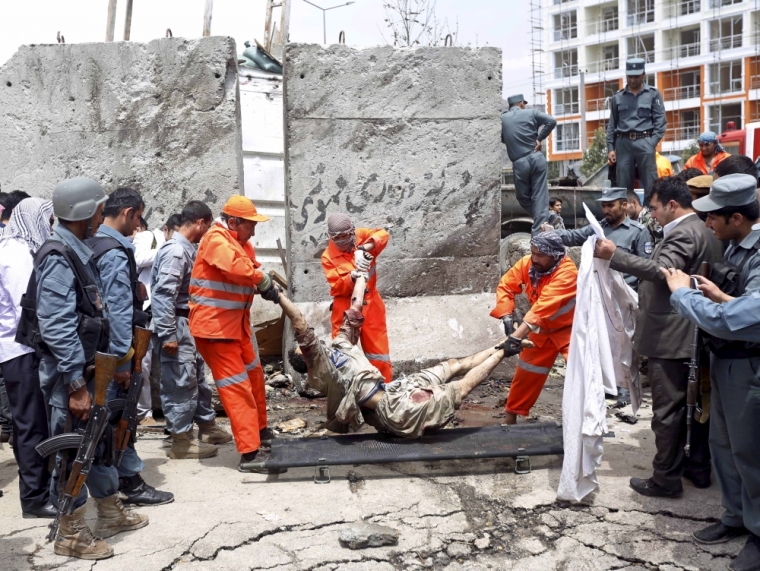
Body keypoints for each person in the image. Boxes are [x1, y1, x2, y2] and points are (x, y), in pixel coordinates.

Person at [34, 177, 147, 559]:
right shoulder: (58, 256)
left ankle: (109, 510)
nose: (103, 214)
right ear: (85, 213)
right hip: (73, 377)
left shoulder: (77, 250)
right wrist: (75, 383)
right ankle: (71, 533)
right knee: (73, 453)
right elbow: (55, 325)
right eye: (99, 209)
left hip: (90, 370)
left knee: (97, 444)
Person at [593, 176, 722, 498]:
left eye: (655, 208)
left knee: (668, 411)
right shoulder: (704, 229)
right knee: (696, 406)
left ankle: (665, 479)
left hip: (673, 335)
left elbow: (662, 272)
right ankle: (697, 467)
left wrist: (614, 255)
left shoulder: (683, 234)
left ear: (672, 205)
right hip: (691, 331)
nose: (652, 215)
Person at [278, 273, 521, 442]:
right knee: (461, 388)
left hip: (396, 389)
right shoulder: (320, 372)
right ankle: (504, 351)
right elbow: (299, 322)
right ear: (309, 360)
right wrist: (277, 296)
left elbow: (355, 306)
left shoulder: (341, 344)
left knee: (452, 366)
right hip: (396, 410)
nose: (317, 345)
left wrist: (360, 277)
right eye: (309, 349)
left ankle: (502, 345)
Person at [662, 266, 760, 571]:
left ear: (736, 217)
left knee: (751, 454)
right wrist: (723, 296)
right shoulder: (738, 248)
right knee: (723, 445)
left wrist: (681, 292)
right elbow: (741, 308)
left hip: (750, 365)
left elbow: (726, 321)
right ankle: (736, 517)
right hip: (725, 360)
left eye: (714, 218)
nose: (709, 225)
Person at [87, 188, 173, 507]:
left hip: (100, 349)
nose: (138, 225)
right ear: (128, 213)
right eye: (137, 217)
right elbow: (118, 308)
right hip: (113, 353)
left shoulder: (95, 242)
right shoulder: (113, 249)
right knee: (118, 419)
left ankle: (121, 481)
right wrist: (124, 361)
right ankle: (129, 484)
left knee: (112, 421)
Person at [189, 195, 279, 472]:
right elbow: (238, 269)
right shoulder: (216, 239)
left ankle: (260, 430)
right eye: (250, 225)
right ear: (232, 222)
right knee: (236, 390)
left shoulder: (238, 242)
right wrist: (260, 280)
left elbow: (248, 268)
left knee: (254, 375)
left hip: (235, 325)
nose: (253, 231)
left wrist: (262, 279)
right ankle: (250, 454)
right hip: (215, 330)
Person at [152, 201, 231, 459]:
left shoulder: (186, 249)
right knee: (180, 382)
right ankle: (181, 442)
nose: (208, 231)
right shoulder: (176, 251)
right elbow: (164, 295)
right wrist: (168, 333)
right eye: (208, 226)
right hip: (176, 323)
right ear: (199, 222)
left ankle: (206, 427)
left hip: (187, 324)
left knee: (195, 379)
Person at [0, 198, 56, 519]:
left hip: (21, 349)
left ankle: (38, 490)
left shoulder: (16, 248)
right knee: (30, 426)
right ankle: (34, 500)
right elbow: (29, 307)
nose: (48, 226)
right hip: (21, 351)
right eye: (46, 220)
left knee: (32, 424)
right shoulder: (16, 254)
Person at [490, 232, 577, 424]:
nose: (534, 258)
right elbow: (506, 286)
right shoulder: (528, 263)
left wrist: (515, 338)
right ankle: (510, 417)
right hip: (542, 330)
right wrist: (506, 315)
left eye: (540, 255)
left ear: (554, 255)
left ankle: (581, 423)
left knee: (581, 375)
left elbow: (540, 309)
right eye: (533, 252)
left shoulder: (567, 273)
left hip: (570, 330)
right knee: (526, 372)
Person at [322, 213, 392, 383]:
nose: (340, 241)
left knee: (378, 354)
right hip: (344, 306)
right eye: (336, 237)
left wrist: (363, 248)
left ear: (352, 232)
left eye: (344, 236)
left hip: (371, 303)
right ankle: (347, 392)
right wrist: (352, 276)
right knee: (342, 353)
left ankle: (384, 391)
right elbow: (336, 286)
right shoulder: (328, 256)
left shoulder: (362, 236)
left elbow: (383, 234)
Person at [545, 187, 650, 292]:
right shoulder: (597, 228)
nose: (605, 210)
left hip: (626, 296)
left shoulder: (638, 232)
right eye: (603, 206)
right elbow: (573, 236)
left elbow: (645, 268)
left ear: (624, 205)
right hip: (600, 295)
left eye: (610, 205)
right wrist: (550, 232)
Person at [606, 59, 666, 192]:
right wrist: (610, 148)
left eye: (636, 76)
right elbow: (612, 125)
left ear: (643, 75)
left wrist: (651, 143)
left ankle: (649, 212)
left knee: (650, 183)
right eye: (630, 76)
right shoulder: (618, 97)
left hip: (645, 141)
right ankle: (625, 212)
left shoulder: (653, 94)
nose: (632, 80)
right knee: (622, 185)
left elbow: (660, 122)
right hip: (623, 144)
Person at [501, 93, 557, 234]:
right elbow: (551, 121)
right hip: (536, 157)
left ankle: (539, 230)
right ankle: (546, 218)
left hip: (520, 162)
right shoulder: (531, 112)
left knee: (523, 197)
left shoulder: (503, 119)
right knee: (539, 196)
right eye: (523, 104)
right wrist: (539, 138)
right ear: (521, 104)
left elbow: (504, 138)